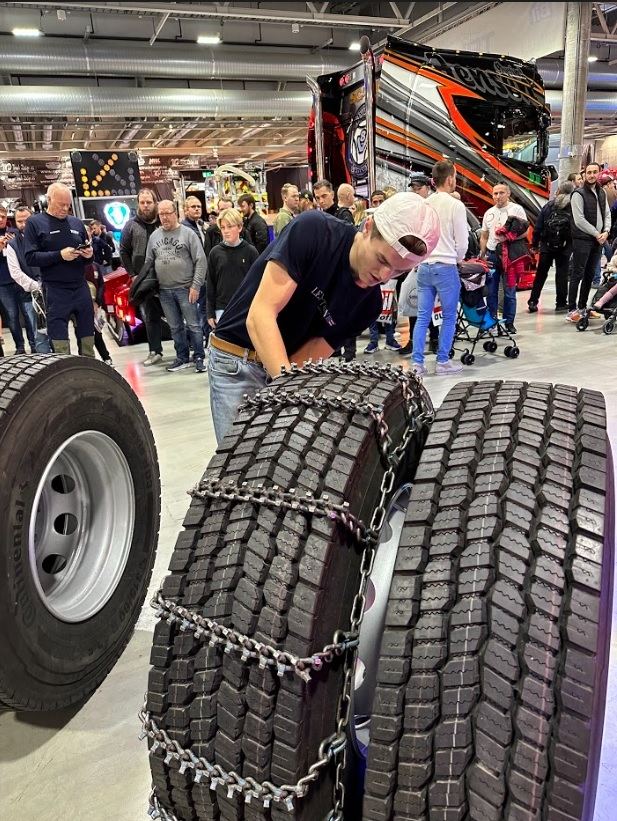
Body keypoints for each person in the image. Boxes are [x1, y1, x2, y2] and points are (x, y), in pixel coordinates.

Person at [207, 192, 440, 442]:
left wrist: (288, 398)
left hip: (282, 367)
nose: (384, 275)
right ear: (367, 227)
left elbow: (307, 358)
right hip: (236, 361)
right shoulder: (315, 231)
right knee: (239, 459)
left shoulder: (368, 306)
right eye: (382, 259)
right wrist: (288, 396)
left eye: (398, 271)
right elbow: (260, 315)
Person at [24, 182, 95, 356]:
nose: (65, 209)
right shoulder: (35, 223)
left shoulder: (76, 223)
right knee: (59, 341)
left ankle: (89, 369)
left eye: (68, 205)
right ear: (48, 200)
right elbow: (30, 257)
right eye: (60, 204)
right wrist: (59, 255)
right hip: (55, 289)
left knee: (87, 336)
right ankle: (64, 369)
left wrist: (89, 255)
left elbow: (88, 259)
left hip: (80, 286)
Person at [411, 159, 468, 377]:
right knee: (449, 316)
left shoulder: (424, 204)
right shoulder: (456, 205)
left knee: (422, 317)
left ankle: (417, 363)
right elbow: (462, 242)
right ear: (451, 178)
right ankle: (443, 361)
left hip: (424, 266)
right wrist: (458, 258)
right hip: (446, 266)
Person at [142, 200, 207, 373]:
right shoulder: (154, 236)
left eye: (167, 213)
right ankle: (182, 357)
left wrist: (196, 285)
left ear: (175, 213)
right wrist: (150, 285)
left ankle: (199, 356)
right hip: (164, 291)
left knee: (193, 325)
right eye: (161, 214)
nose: (164, 217)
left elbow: (201, 260)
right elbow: (149, 262)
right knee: (175, 327)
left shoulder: (188, 234)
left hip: (186, 288)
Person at [120, 188, 164, 365]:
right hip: (144, 278)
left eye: (149, 202)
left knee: (175, 314)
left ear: (155, 203)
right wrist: (132, 274)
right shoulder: (131, 225)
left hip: (166, 276)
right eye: (142, 202)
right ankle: (155, 351)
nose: (146, 206)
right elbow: (124, 251)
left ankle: (184, 351)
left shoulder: (163, 222)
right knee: (150, 316)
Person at [566, 161, 611, 322]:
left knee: (590, 274)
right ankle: (572, 310)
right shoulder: (578, 194)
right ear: (584, 174)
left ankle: (583, 307)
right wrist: (597, 233)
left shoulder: (602, 192)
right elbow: (579, 220)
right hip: (582, 240)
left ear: (599, 173)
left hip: (598, 240)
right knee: (577, 274)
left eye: (594, 172)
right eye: (589, 172)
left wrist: (606, 231)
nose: (592, 175)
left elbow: (607, 214)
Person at [480, 181, 527, 333]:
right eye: (495, 193)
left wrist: (508, 237)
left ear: (508, 194)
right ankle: (492, 322)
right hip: (492, 255)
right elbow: (484, 236)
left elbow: (525, 232)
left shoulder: (517, 209)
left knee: (509, 291)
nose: (498, 196)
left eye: (501, 193)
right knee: (491, 291)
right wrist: (482, 255)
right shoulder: (488, 213)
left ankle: (509, 322)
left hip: (510, 256)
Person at [205, 208, 259, 329]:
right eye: (223, 227)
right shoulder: (215, 252)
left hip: (246, 308)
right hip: (222, 308)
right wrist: (210, 312)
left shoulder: (251, 251)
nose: (226, 231)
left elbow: (257, 283)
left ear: (239, 227)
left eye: (230, 226)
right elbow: (210, 284)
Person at [528, 182, 573, 313]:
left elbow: (538, 227)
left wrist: (535, 244)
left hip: (546, 246)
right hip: (564, 246)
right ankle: (561, 303)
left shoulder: (549, 206)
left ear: (558, 191)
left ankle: (533, 301)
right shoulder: (572, 207)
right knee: (562, 275)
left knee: (541, 274)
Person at [6, 205, 40, 352]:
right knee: (35, 330)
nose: (23, 224)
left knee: (55, 329)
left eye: (27, 220)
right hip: (28, 293)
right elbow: (15, 273)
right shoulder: (12, 245)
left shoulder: (43, 237)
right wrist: (36, 286)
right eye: (19, 221)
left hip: (51, 289)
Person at [0, 204, 29, 354]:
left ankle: (34, 344)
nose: (0, 219)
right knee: (12, 316)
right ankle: (20, 347)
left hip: (22, 279)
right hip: (3, 283)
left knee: (29, 315)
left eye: (3, 216)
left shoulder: (15, 232)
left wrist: (15, 243)